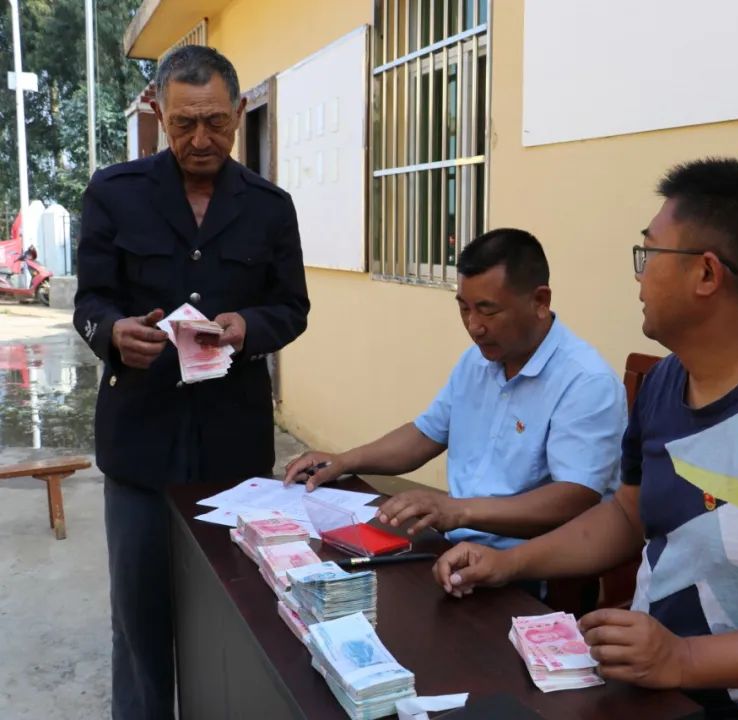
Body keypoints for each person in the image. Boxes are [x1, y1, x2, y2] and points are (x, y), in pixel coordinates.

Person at [431, 159, 738, 719]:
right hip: (643, 687)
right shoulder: (667, 381)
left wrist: (684, 658)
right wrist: (509, 566)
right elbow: (627, 515)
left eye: (649, 254)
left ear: (706, 275)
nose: (638, 277)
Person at [73, 46, 309, 720]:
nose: (200, 140)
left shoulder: (269, 207)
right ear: (158, 113)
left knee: (234, 622)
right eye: (184, 124)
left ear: (238, 113)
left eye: (215, 123)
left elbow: (292, 308)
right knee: (141, 628)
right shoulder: (115, 194)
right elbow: (89, 303)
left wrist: (247, 325)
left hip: (232, 452)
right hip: (140, 450)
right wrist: (115, 334)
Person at [286, 228, 625, 553]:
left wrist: (458, 510)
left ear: (540, 300)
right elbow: (426, 434)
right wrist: (344, 461)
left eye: (487, 310)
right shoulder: (477, 362)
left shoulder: (585, 381)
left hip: (527, 565)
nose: (474, 326)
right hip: (451, 543)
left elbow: (573, 498)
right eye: (464, 307)